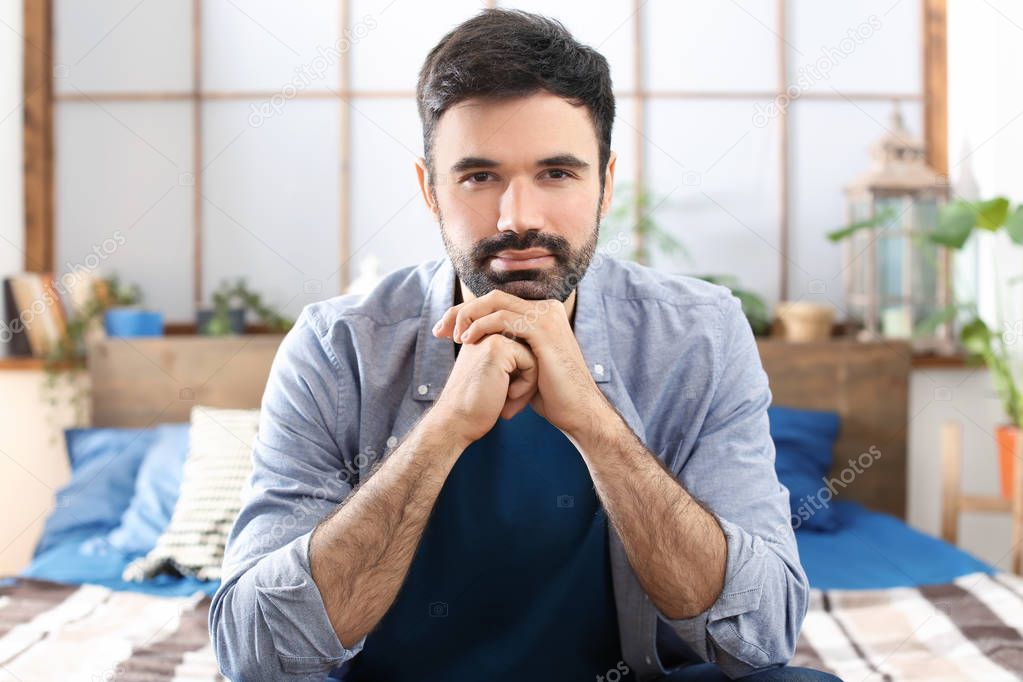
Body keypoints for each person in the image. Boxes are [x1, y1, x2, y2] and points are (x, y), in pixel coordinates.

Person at [209, 9, 839, 681]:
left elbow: (760, 636)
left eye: (557, 174)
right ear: (429, 190)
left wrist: (594, 423)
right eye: (478, 177)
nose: (519, 219)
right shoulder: (337, 349)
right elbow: (256, 655)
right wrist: (443, 429)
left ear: (604, 182)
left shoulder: (698, 333)